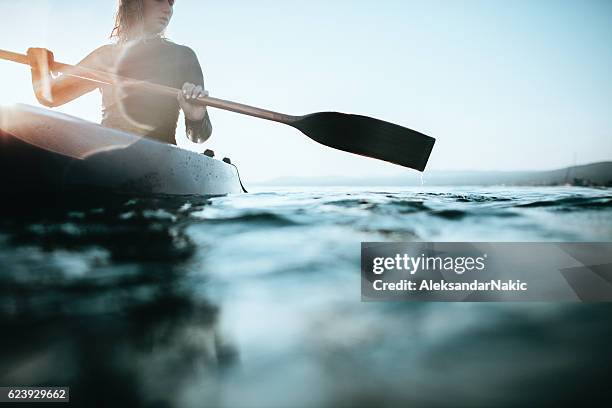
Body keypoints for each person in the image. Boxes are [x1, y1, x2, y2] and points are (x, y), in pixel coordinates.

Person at [27, 0, 212, 144]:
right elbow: (51, 96)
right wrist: (38, 67)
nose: (167, 9)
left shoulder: (183, 57)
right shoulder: (106, 56)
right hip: (105, 151)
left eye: (171, 2)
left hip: (159, 159)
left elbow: (199, 137)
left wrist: (195, 117)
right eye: (159, 0)